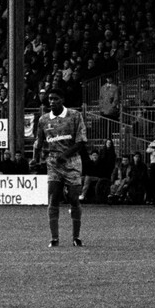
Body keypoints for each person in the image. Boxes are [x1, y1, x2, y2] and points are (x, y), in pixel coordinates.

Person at [32, 87, 87, 247]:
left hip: (72, 163)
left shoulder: (75, 116)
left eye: (55, 99)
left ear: (62, 100)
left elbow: (81, 141)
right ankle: (54, 238)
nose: (52, 102)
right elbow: (39, 142)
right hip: (54, 164)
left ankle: (76, 237)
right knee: (53, 198)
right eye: (50, 99)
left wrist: (65, 155)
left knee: (74, 199)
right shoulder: (43, 120)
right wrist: (35, 159)